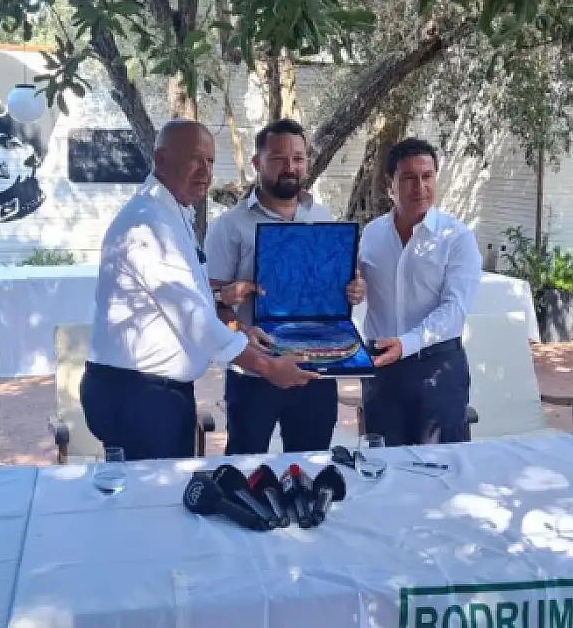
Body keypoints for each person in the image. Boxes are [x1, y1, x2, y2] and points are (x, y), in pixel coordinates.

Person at [81, 119, 318, 461]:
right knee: (152, 492)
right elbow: (193, 320)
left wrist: (241, 331)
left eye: (210, 161)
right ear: (161, 159)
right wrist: (267, 367)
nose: (205, 172)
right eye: (195, 159)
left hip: (157, 392)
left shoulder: (172, 214)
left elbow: (196, 298)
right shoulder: (148, 224)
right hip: (138, 395)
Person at [205, 118, 366, 455]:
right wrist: (237, 327)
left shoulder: (322, 217)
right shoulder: (229, 226)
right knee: (246, 469)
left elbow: (334, 287)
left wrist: (352, 290)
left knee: (311, 465)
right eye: (278, 158)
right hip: (253, 373)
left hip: (316, 368)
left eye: (298, 158)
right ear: (256, 163)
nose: (290, 167)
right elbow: (212, 303)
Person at [357, 138, 482, 446]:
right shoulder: (371, 234)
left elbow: (455, 309)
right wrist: (353, 289)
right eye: (409, 178)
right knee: (383, 462)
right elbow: (356, 288)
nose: (420, 187)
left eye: (427, 176)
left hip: (437, 367)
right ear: (390, 183)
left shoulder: (457, 238)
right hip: (381, 370)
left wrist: (407, 344)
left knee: (439, 465)